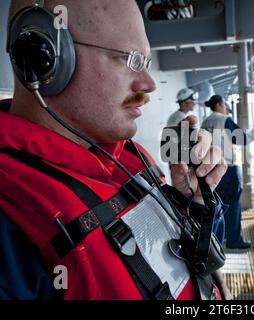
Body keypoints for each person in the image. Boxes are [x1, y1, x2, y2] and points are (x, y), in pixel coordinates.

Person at [0, 0, 229, 300]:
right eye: (131, 59)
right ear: (44, 58)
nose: (149, 84)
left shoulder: (130, 156)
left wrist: (194, 200)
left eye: (146, 63)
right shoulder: (9, 223)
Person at [201, 95, 254, 250]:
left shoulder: (205, 122)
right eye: (224, 104)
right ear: (220, 104)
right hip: (229, 168)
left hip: (210, 168)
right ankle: (234, 240)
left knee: (217, 205)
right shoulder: (223, 119)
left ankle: (217, 239)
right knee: (233, 206)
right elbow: (242, 138)